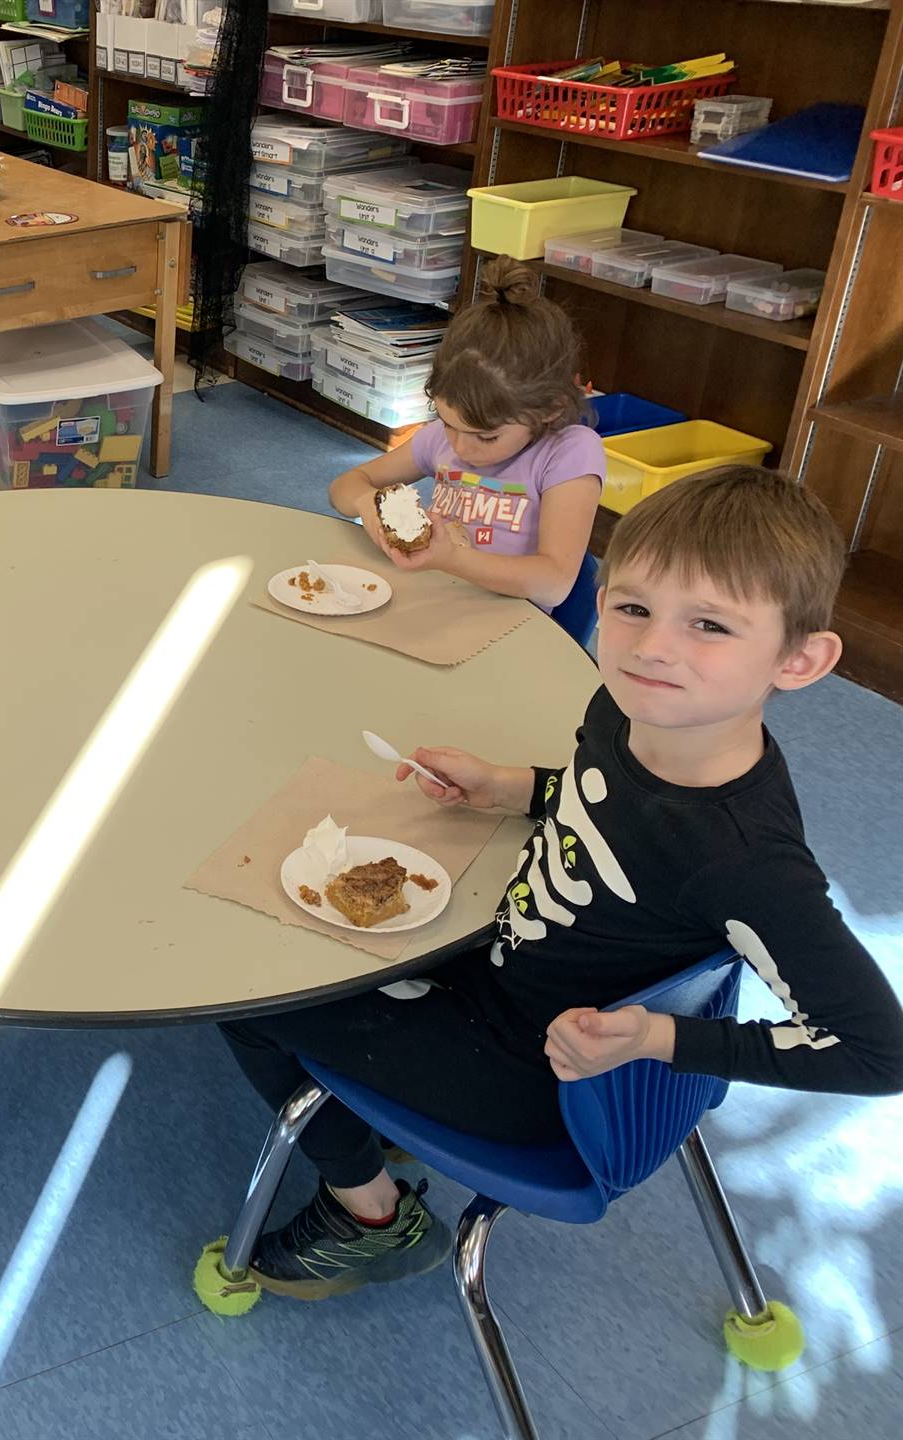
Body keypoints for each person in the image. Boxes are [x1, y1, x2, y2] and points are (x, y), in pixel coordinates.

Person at [217, 465, 903, 1301]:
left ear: (799, 660)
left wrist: (657, 1039)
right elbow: (595, 792)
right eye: (633, 607)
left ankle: (369, 1217)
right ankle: (382, 1119)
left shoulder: (745, 860)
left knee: (254, 996)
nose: (653, 646)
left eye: (710, 626)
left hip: (544, 1074)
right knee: (300, 935)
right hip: (503, 968)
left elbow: (876, 1052)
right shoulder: (628, 708)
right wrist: (511, 787)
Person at [326, 258, 605, 610]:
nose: (460, 447)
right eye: (447, 424)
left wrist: (452, 558)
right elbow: (344, 485)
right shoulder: (440, 441)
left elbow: (554, 583)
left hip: (510, 625)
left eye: (486, 437)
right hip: (434, 602)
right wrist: (367, 503)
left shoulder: (569, 452)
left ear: (550, 408)